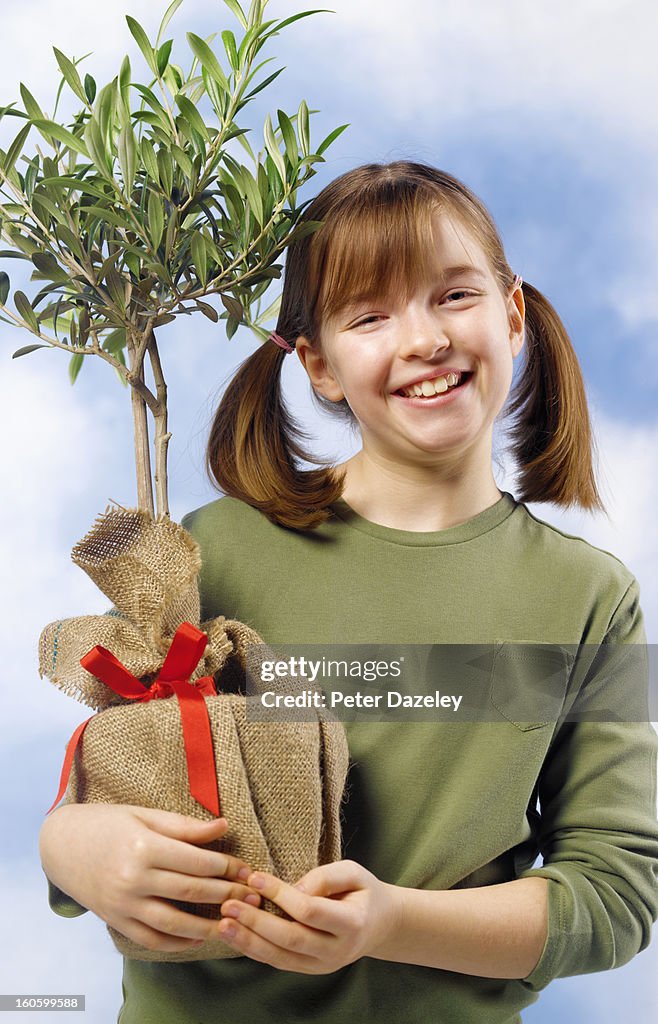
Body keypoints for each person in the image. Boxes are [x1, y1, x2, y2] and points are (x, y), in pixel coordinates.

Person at [40, 161, 658, 1024]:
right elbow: (98, 779)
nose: (424, 340)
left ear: (511, 315)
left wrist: (391, 921)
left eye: (453, 296)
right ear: (320, 365)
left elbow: (616, 897)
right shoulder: (212, 550)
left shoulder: (592, 598)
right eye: (371, 316)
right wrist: (70, 847)